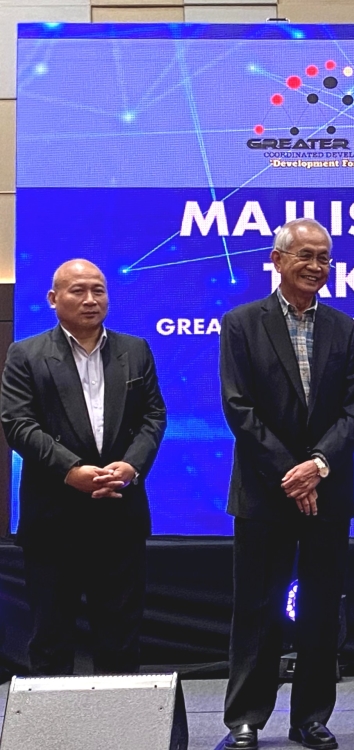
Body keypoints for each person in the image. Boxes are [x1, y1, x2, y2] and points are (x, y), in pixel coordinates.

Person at [219, 218, 354, 750]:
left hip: (328, 492)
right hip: (264, 492)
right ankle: (246, 717)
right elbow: (239, 409)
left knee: (321, 610)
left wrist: (317, 466)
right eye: (305, 255)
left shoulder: (344, 328)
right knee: (257, 608)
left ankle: (311, 717)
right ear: (277, 260)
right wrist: (291, 472)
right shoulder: (241, 323)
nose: (315, 266)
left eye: (324, 257)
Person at [0, 259, 167, 676]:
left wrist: (131, 466)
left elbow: (153, 416)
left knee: (121, 636)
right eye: (78, 290)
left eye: (99, 290)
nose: (91, 299)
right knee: (51, 637)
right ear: (53, 299)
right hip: (53, 517)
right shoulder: (26, 354)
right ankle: (51, 720)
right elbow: (18, 424)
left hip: (120, 512)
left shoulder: (135, 350)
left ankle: (122, 718)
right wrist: (71, 470)